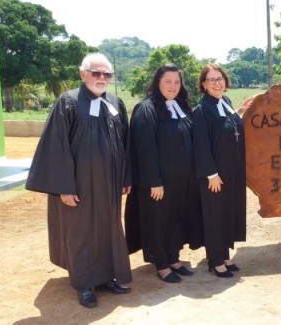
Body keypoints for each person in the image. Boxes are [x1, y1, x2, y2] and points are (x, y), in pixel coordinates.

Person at [25, 53, 132, 308]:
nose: (102, 78)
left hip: (109, 184)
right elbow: (56, 146)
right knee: (81, 233)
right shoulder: (68, 102)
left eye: (107, 74)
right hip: (79, 185)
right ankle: (84, 284)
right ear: (82, 74)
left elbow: (125, 144)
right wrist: (64, 187)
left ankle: (106, 277)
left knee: (108, 228)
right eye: (96, 73)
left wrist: (125, 176)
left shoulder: (115, 102)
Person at [124, 63, 203, 283]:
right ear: (157, 82)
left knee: (176, 218)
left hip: (181, 182)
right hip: (158, 182)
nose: (173, 86)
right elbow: (144, 149)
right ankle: (161, 263)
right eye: (168, 81)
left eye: (177, 82)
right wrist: (154, 181)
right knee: (157, 221)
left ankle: (173, 257)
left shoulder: (180, 106)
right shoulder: (146, 109)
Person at [192, 63, 246, 278]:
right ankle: (215, 260)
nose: (217, 83)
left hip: (232, 172)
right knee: (214, 215)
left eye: (220, 78)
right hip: (215, 175)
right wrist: (211, 174)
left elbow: (231, 127)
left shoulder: (226, 102)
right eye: (212, 80)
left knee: (226, 213)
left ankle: (224, 255)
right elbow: (201, 145)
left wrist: (241, 112)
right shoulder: (202, 110)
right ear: (204, 85)